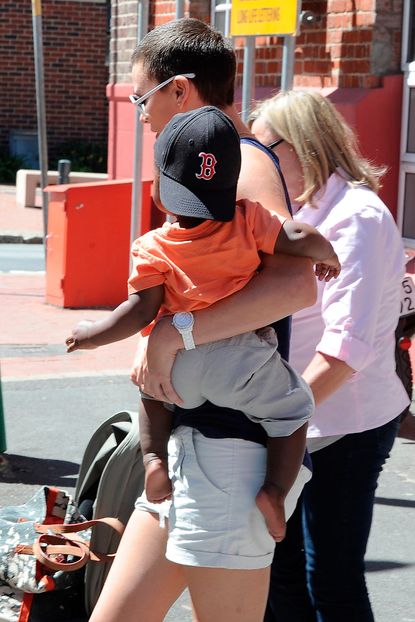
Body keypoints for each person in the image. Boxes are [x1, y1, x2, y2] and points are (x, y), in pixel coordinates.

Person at [139, 89, 409, 621]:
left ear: (302, 144)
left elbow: (345, 348)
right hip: (298, 419)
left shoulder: (356, 216)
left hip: (343, 425)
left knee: (329, 580)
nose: (250, 160)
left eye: (263, 145)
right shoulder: (296, 211)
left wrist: (275, 415)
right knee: (281, 576)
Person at [88, 18, 317, 622]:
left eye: (143, 97)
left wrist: (173, 333)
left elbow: (294, 283)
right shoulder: (212, 157)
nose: (140, 114)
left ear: (181, 89)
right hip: (194, 450)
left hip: (227, 453)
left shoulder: (240, 159)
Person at [66, 105, 341, 537]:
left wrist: (90, 337)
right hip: (240, 359)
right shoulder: (249, 219)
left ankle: (154, 461)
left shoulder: (150, 247)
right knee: (293, 411)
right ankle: (274, 491)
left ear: (160, 192)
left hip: (179, 369)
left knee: (151, 395)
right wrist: (327, 255)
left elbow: (137, 311)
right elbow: (298, 237)